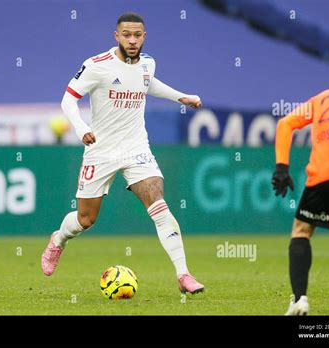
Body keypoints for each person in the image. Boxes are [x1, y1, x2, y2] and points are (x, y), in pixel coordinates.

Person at [41, 12, 205, 294]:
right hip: (100, 149)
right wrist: (81, 129)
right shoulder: (96, 65)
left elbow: (146, 83)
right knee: (85, 220)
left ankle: (184, 275)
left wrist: (181, 96)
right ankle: (58, 239)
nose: (132, 40)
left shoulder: (148, 64)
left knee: (158, 204)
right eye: (126, 35)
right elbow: (68, 99)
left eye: (137, 35)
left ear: (144, 36)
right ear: (116, 36)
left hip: (136, 147)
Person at [272, 53, 329, 315]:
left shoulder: (325, 96)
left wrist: (282, 167)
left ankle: (300, 299)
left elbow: (286, 123)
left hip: (324, 175)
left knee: (301, 231)